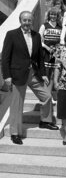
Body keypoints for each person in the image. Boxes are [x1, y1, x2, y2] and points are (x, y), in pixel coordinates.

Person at [1, 11, 59, 145]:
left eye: (29, 20)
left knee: (47, 96)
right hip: (17, 75)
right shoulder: (11, 34)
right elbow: (5, 58)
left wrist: (43, 73)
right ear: (20, 21)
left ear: (32, 21)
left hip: (34, 73)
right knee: (17, 105)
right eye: (24, 20)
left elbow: (39, 57)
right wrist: (7, 76)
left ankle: (45, 121)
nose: (27, 23)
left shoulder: (37, 36)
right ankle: (15, 133)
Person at [39, 7, 62, 101]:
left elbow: (62, 41)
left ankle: (50, 95)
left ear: (58, 16)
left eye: (55, 15)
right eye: (51, 14)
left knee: (53, 75)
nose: (53, 16)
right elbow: (38, 40)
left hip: (56, 54)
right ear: (49, 15)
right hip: (46, 52)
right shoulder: (44, 25)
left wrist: (58, 49)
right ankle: (45, 95)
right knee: (46, 74)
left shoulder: (60, 27)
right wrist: (47, 48)